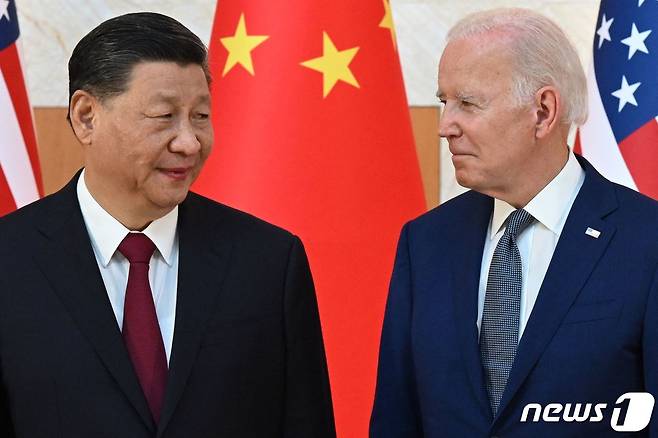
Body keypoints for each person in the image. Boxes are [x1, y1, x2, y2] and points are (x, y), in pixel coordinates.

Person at [0, 12, 335, 438]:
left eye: (200, 116)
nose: (189, 142)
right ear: (86, 116)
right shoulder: (10, 260)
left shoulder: (269, 262)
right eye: (163, 116)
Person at [371, 8, 658, 437]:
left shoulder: (646, 241)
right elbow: (398, 419)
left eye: (467, 103)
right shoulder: (425, 242)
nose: (445, 126)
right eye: (444, 102)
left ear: (542, 112)